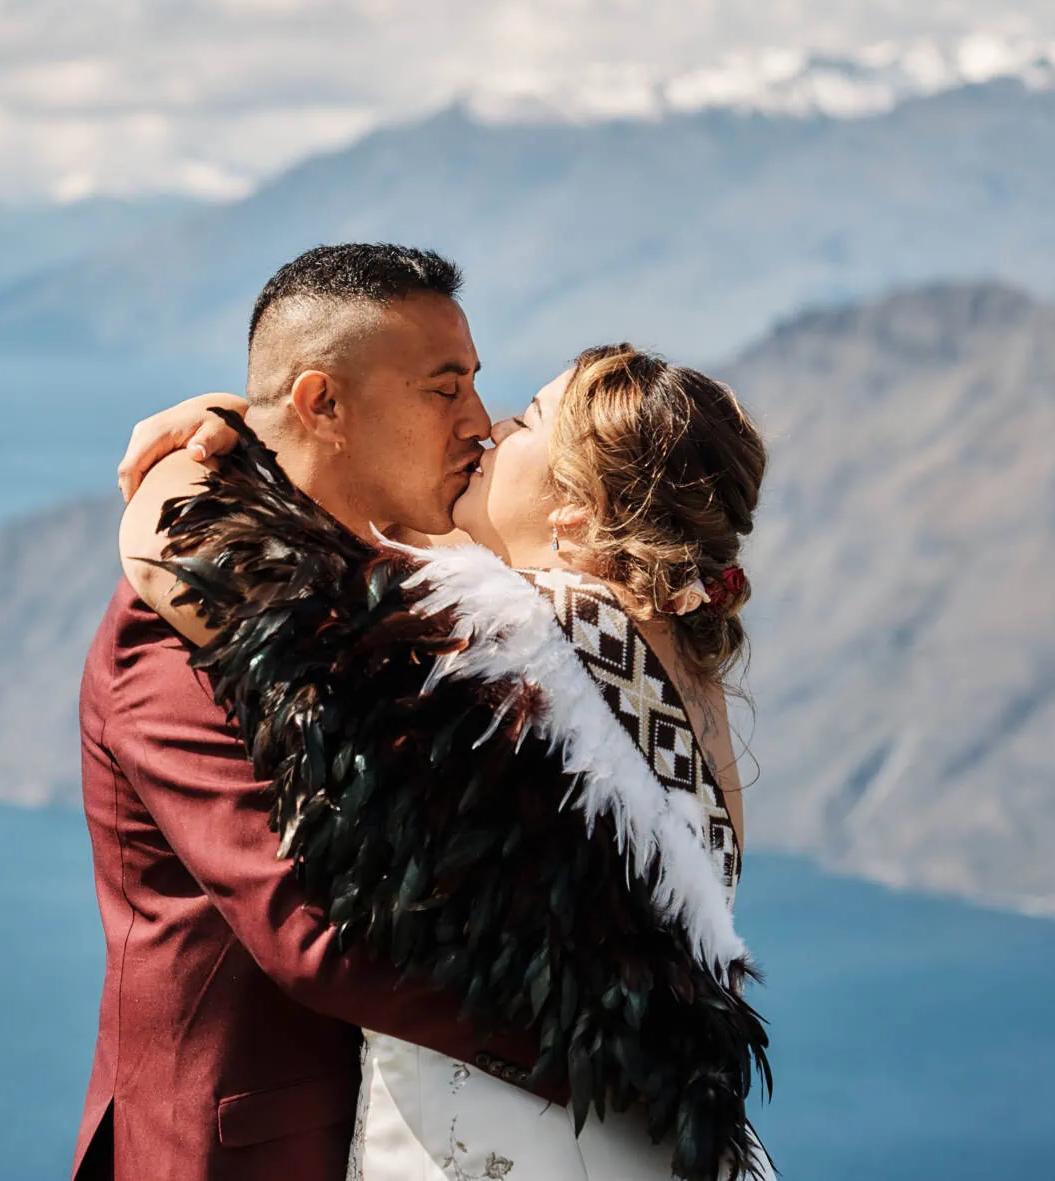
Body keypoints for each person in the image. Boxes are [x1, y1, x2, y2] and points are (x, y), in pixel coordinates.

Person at [115, 266, 772, 1177]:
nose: (489, 427)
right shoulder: (670, 657)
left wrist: (177, 472)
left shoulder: (514, 636)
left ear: (576, 511)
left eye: (525, 422)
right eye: (452, 388)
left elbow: (222, 574)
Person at [73, 245, 554, 1181]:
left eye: (473, 383)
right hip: (236, 1154)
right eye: (444, 389)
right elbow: (314, 936)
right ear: (324, 404)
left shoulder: (390, 580)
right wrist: (612, 1045)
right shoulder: (179, 627)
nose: (479, 422)